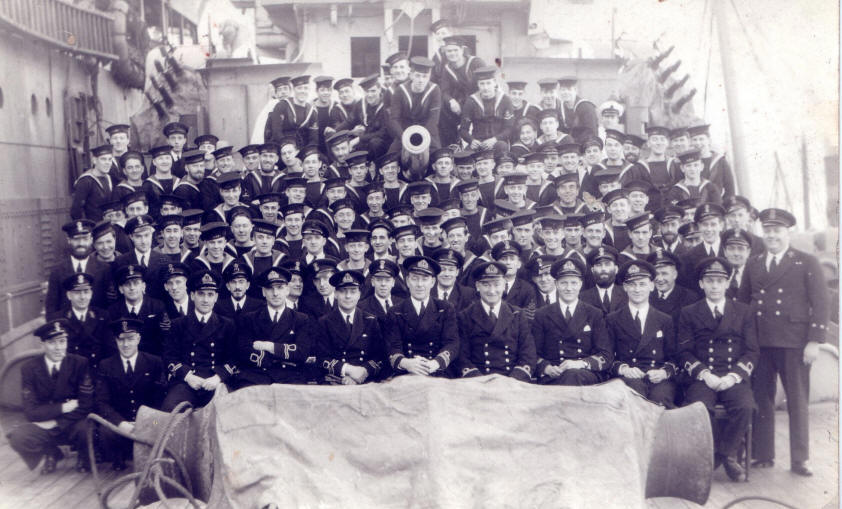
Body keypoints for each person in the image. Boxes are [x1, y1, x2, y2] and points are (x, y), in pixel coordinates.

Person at [740, 208, 829, 476]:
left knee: (797, 400)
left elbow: (822, 303)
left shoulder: (806, 262)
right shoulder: (754, 263)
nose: (771, 236)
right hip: (762, 341)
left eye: (776, 231)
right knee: (762, 399)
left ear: (787, 232)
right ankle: (764, 454)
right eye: (767, 231)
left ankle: (800, 459)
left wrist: (815, 341)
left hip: (794, 342)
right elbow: (744, 303)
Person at [677, 257, 758, 482]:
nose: (714, 286)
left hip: (733, 376)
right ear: (701, 284)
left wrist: (734, 377)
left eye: (719, 281)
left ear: (728, 282)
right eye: (709, 281)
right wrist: (705, 374)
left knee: (746, 406)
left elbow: (752, 351)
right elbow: (684, 352)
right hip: (703, 378)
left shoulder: (744, 311)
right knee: (700, 408)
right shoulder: (689, 312)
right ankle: (718, 456)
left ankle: (725, 455)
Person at [7, 319, 93, 473]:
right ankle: (51, 452)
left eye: (62, 341)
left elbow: (86, 404)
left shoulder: (79, 363)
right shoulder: (30, 368)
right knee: (18, 437)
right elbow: (30, 411)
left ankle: (84, 456)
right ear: (42, 345)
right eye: (52, 343)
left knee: (86, 427)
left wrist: (56, 422)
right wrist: (63, 407)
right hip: (45, 423)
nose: (59, 348)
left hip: (72, 423)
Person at [95, 318, 165, 471]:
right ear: (115, 340)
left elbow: (160, 399)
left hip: (149, 421)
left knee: (159, 425)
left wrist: (145, 421)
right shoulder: (106, 365)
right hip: (121, 423)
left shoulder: (154, 362)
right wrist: (121, 423)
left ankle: (151, 457)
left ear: (138, 339)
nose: (125, 344)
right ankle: (118, 457)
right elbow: (102, 402)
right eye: (121, 339)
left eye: (130, 339)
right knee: (105, 431)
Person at [161, 270, 237, 410]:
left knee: (228, 413)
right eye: (201, 294)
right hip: (187, 382)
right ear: (192, 296)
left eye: (210, 295)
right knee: (169, 409)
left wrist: (218, 377)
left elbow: (234, 359)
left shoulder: (227, 324)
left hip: (215, 382)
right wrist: (188, 376)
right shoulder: (178, 324)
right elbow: (169, 357)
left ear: (216, 297)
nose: (205, 300)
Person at [606, 260, 678, 407]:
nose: (637, 289)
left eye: (642, 284)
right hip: (627, 378)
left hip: (658, 378)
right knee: (633, 400)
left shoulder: (664, 320)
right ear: (625, 287)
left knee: (661, 400)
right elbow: (606, 356)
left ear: (652, 286)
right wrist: (624, 369)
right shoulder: (613, 319)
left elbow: (675, 357)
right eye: (632, 284)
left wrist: (664, 373)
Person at [532, 257, 612, 385]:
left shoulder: (594, 314)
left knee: (573, 375)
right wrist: (546, 367)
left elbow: (605, 355)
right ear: (556, 284)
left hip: (586, 375)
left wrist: (580, 363)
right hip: (554, 374)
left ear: (580, 284)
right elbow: (533, 353)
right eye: (564, 283)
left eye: (573, 283)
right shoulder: (542, 314)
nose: (569, 288)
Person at [232, 266, 315, 388]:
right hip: (257, 375)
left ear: (287, 290)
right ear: (263, 292)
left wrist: (269, 347)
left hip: (290, 376)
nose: (275, 293)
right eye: (270, 288)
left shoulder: (301, 319)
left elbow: (302, 353)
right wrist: (278, 357)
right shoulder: (249, 319)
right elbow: (244, 351)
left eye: (280, 288)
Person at [456, 261, 536, 381]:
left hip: (512, 382)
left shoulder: (518, 315)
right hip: (478, 382)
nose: (492, 290)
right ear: (477, 286)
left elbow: (528, 354)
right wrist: (481, 381)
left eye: (496, 284)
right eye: (486, 285)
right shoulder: (465, 316)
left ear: (504, 286)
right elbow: (462, 358)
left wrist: (512, 380)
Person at [384, 256, 460, 378]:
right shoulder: (395, 311)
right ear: (408, 281)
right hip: (406, 372)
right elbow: (393, 346)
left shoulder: (445, 308)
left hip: (437, 370)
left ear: (433, 282)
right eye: (415, 279)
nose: (419, 284)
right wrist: (406, 363)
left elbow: (452, 343)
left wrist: (435, 363)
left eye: (425, 279)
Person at [315, 270, 385, 384]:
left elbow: (380, 356)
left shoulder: (370, 321)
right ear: (336, 294)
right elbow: (322, 358)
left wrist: (364, 371)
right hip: (335, 380)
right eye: (343, 291)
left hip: (365, 380)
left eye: (353, 291)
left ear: (359, 294)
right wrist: (348, 370)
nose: (348, 296)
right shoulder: (325, 322)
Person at [46, 220, 110, 314]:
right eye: (76, 239)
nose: (81, 243)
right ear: (69, 240)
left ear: (91, 240)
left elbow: (107, 306)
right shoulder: (57, 271)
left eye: (85, 239)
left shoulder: (104, 269)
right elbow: (51, 308)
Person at [51, 273, 109, 370]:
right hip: (71, 373)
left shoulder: (102, 316)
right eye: (77, 292)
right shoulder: (59, 319)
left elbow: (109, 350)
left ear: (91, 294)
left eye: (86, 292)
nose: (82, 297)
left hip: (98, 371)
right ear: (69, 295)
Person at [387, 56, 442, 153]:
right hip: (405, 132)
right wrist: (404, 137)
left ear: (429, 76)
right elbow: (394, 119)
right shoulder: (400, 90)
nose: (421, 80)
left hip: (427, 132)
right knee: (391, 159)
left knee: (438, 157)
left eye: (425, 76)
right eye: (417, 75)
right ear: (411, 75)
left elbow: (434, 119)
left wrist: (421, 137)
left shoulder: (434, 89)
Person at [459, 65, 513, 155]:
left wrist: (495, 139)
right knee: (466, 156)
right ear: (478, 84)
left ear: (495, 83)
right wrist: (471, 140)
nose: (485, 87)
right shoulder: (471, 101)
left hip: (497, 142)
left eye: (488, 83)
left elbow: (509, 128)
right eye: (482, 84)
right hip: (478, 142)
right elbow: (463, 129)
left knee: (502, 147)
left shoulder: (505, 100)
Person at [647, 248, 700, 327]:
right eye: (656, 274)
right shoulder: (646, 295)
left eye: (664, 273)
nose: (660, 279)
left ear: (674, 275)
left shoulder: (690, 298)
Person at [688, 123, 735, 198]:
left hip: (717, 205)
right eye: (694, 140)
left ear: (709, 140)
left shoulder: (720, 161)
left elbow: (730, 189)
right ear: (691, 142)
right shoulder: (688, 162)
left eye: (701, 139)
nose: (698, 143)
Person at [580, 245, 627, 315]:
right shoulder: (582, 298)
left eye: (607, 264)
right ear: (592, 270)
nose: (603, 269)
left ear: (616, 269)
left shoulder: (627, 294)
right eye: (599, 265)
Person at [71, 144, 114, 221]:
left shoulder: (108, 178)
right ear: (94, 160)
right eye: (103, 159)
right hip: (93, 227)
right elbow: (76, 212)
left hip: (108, 226)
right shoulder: (85, 180)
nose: (107, 163)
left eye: (110, 159)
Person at [557, 76, 598, 141]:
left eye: (569, 89)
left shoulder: (586, 107)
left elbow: (591, 131)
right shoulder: (560, 108)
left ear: (575, 90)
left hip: (586, 144)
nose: (565, 92)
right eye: (563, 89)